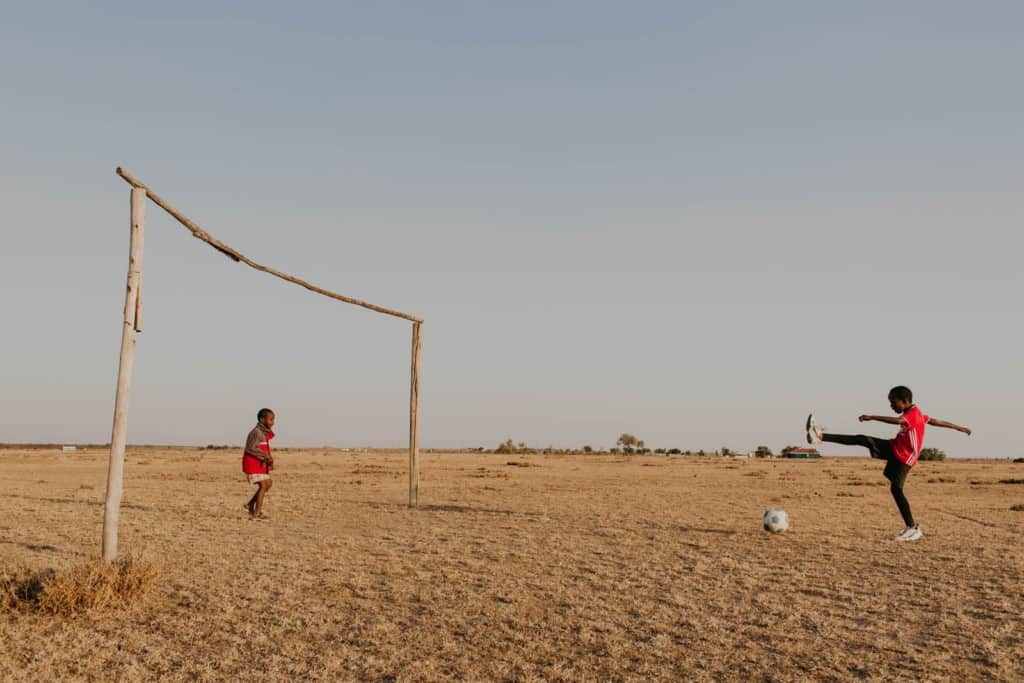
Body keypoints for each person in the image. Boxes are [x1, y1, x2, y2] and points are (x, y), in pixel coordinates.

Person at [806, 386, 971, 542]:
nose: (891, 405)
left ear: (904, 400)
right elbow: (936, 421)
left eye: (893, 402)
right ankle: (819, 436)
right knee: (863, 440)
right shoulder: (916, 412)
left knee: (896, 489)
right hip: (895, 448)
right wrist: (959, 427)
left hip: (904, 457)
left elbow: (897, 421)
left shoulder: (912, 414)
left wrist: (872, 417)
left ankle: (912, 528)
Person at [242, 408, 276, 520]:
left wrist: (269, 461)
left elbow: (264, 449)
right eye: (270, 419)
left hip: (260, 464)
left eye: (273, 419)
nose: (273, 422)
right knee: (263, 485)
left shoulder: (263, 433)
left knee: (269, 483)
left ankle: (250, 504)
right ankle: (257, 513)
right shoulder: (256, 432)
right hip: (252, 464)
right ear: (262, 420)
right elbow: (251, 448)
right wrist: (266, 456)